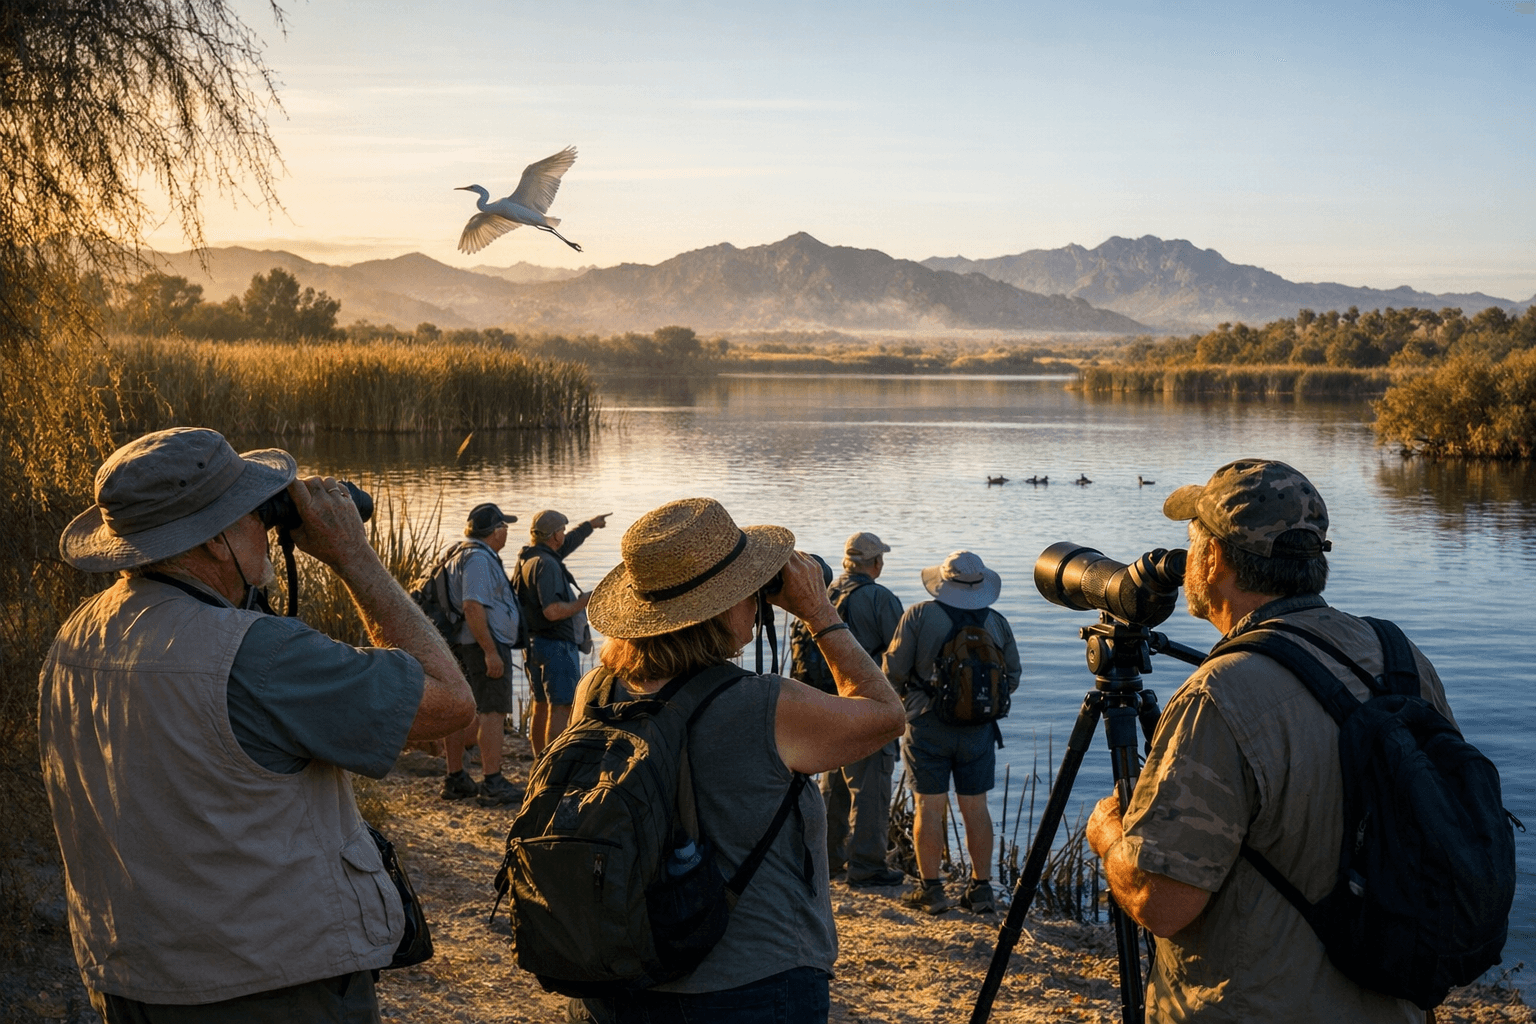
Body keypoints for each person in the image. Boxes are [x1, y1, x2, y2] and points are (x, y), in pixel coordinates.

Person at [38, 427, 475, 1022]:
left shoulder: (78, 636)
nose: (267, 529)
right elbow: (449, 704)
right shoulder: (259, 656)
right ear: (218, 543)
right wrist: (355, 557)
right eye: (253, 516)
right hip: (268, 986)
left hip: (133, 977)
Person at [1085, 458, 1457, 1022]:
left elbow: (1162, 903)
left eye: (1193, 540)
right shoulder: (1399, 658)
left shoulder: (1219, 695)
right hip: (1399, 1005)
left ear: (1211, 559)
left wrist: (1111, 836)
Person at [579, 497, 905, 1022]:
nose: (755, 601)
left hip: (617, 973)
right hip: (751, 982)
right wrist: (820, 612)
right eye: (743, 589)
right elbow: (886, 715)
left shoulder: (596, 689)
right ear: (716, 606)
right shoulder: (763, 705)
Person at [883, 550, 1020, 915]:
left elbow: (892, 671)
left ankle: (931, 890)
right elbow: (1013, 677)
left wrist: (908, 699)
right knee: (976, 807)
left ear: (942, 583)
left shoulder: (919, 614)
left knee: (928, 806)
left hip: (927, 723)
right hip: (979, 730)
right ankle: (981, 889)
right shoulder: (997, 622)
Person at [819, 531, 905, 887]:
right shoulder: (880, 598)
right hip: (865, 705)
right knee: (870, 787)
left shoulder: (824, 596)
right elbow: (899, 656)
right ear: (875, 564)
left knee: (832, 782)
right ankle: (867, 866)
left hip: (823, 704)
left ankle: (827, 859)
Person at [440, 502, 525, 806]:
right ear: (494, 530)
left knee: (459, 710)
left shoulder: (457, 553)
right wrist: (491, 652)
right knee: (492, 713)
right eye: (504, 526)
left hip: (462, 642)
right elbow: (472, 606)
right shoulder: (477, 559)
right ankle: (492, 782)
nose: (507, 531)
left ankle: (456, 778)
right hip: (480, 643)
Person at [515, 507, 609, 755]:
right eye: (562, 531)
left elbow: (567, 546)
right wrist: (583, 602)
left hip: (534, 644)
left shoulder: (530, 558)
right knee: (562, 707)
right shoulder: (548, 565)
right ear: (554, 535)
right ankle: (554, 767)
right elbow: (553, 611)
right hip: (555, 645)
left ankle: (540, 761)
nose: (564, 535)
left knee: (541, 705)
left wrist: (590, 525)